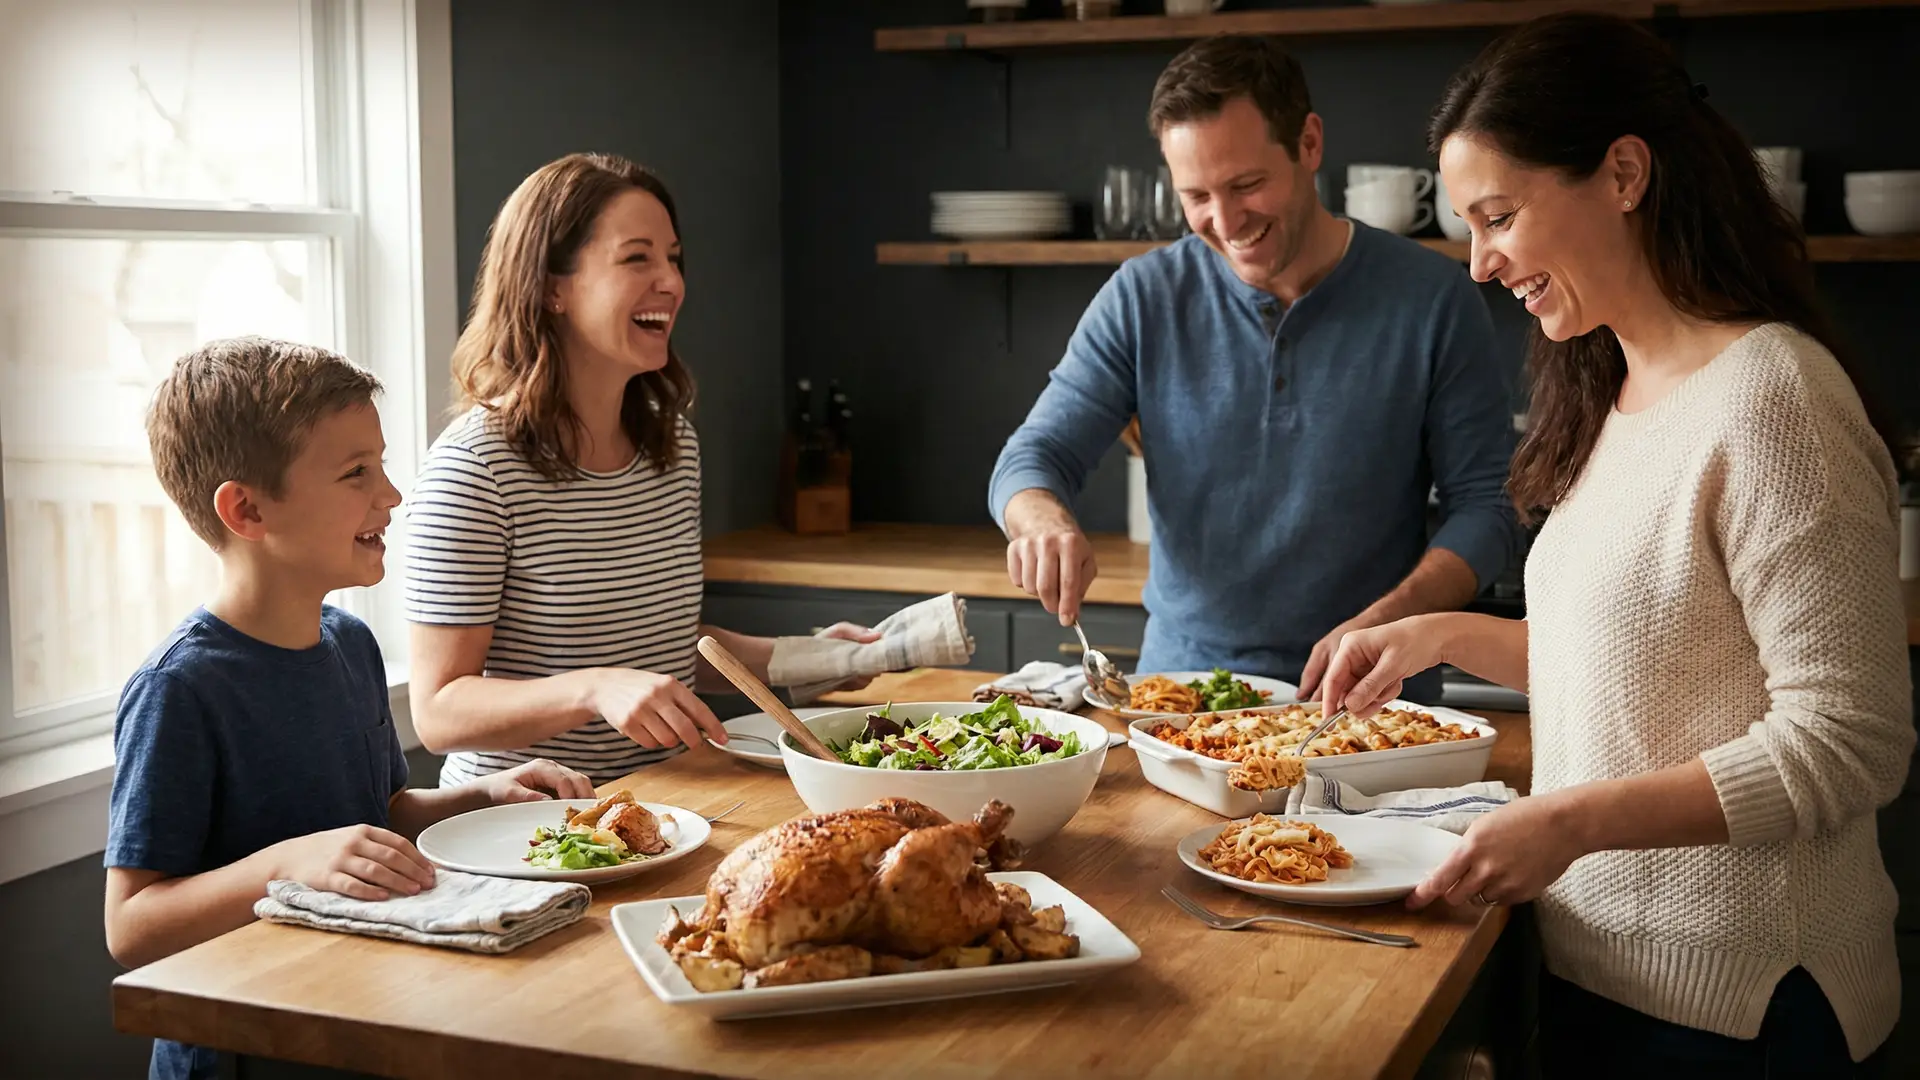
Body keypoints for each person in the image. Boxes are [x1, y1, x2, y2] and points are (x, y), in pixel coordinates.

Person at [1318, 13, 1910, 1076]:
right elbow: (1649, 661)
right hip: (1601, 967)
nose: (1480, 265)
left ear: (1624, 172)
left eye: (1498, 217)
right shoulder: (1614, 387)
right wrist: (1441, 634)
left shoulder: (1774, 399)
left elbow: (1849, 740)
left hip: (1744, 1005)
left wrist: (1574, 823)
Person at [104, 337, 594, 1080]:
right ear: (245, 509)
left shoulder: (352, 644)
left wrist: (482, 797)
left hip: (362, 1018)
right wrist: (283, 866)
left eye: (383, 463)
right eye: (355, 473)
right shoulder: (181, 690)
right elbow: (132, 927)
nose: (391, 495)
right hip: (247, 1054)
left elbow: (378, 814)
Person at [989, 34, 1520, 702]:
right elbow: (1033, 456)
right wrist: (1043, 522)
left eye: (1247, 185)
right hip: (1182, 699)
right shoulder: (1143, 296)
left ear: (1309, 144)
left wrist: (1386, 622)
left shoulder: (1433, 298)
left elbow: (1491, 508)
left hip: (1371, 699)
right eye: (1197, 195)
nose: (1225, 220)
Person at [405, 152, 875, 787]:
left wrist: (813, 658)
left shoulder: (671, 444)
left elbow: (664, 650)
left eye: (673, 258)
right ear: (551, 287)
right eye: (637, 258)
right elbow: (437, 710)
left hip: (663, 804)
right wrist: (593, 689)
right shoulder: (475, 468)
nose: (672, 282)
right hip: (528, 831)